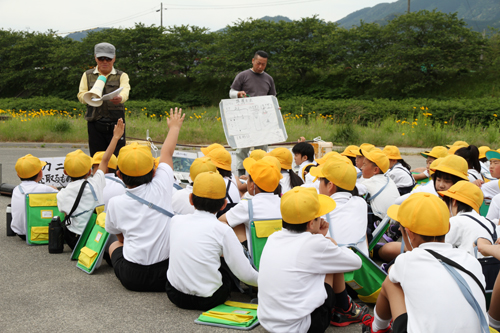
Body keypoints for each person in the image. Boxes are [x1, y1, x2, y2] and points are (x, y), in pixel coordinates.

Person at [362, 192, 488, 333]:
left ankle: (377, 328)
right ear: (448, 228)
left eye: (400, 228)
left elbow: (392, 273)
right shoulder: (470, 260)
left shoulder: (405, 261)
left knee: (391, 283)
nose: (398, 229)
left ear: (409, 234)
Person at [257, 186, 363, 333]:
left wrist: (319, 238)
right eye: (318, 217)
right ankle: (345, 308)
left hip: (268, 322)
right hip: (303, 327)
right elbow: (356, 262)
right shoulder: (316, 244)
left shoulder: (273, 238)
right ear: (311, 223)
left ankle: (345, 307)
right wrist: (328, 241)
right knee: (333, 262)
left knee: (327, 261)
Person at [105, 108, 184, 292]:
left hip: (132, 277)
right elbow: (166, 153)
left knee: (113, 245)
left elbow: (120, 238)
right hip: (166, 273)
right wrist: (174, 127)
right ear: (154, 171)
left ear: (119, 175)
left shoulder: (115, 203)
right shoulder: (162, 185)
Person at [166, 171, 258, 310]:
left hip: (175, 294)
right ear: (223, 205)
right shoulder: (222, 230)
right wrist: (268, 281)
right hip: (209, 299)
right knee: (225, 262)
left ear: (191, 199)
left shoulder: (175, 221)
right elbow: (245, 274)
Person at [57, 119, 124, 250]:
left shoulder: (61, 194)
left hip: (75, 241)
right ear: (89, 171)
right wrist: (116, 137)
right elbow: (105, 159)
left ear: (65, 172)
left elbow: (65, 214)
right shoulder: (96, 182)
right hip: (95, 238)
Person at [77, 42, 131, 157]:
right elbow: (81, 95)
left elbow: (125, 92)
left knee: (117, 158)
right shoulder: (87, 75)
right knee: (97, 158)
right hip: (94, 123)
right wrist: (89, 97)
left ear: (114, 58)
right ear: (95, 58)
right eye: (101, 58)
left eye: (108, 58)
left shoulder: (122, 75)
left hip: (117, 124)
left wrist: (120, 98)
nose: (105, 62)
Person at [229, 50, 277, 176]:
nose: (260, 66)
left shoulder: (269, 79)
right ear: (253, 61)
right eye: (258, 63)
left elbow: (272, 99)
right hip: (244, 119)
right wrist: (238, 94)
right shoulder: (243, 75)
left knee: (261, 149)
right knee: (242, 149)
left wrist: (274, 108)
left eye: (263, 64)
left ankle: (259, 174)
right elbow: (231, 92)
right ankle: (241, 174)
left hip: (262, 121)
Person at [219, 157, 282, 250]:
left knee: (236, 223)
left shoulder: (248, 205)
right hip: (277, 252)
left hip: (256, 258)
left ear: (252, 186)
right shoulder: (283, 203)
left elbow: (221, 221)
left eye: (248, 179)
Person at [439, 181, 495, 256]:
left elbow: (439, 248)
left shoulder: (455, 221)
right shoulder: (488, 223)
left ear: (454, 202)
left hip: (468, 266)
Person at [11, 154, 58, 240]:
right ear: (40, 173)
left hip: (20, 233)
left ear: (18, 175)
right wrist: (54, 188)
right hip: (38, 232)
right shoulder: (45, 189)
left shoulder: (16, 189)